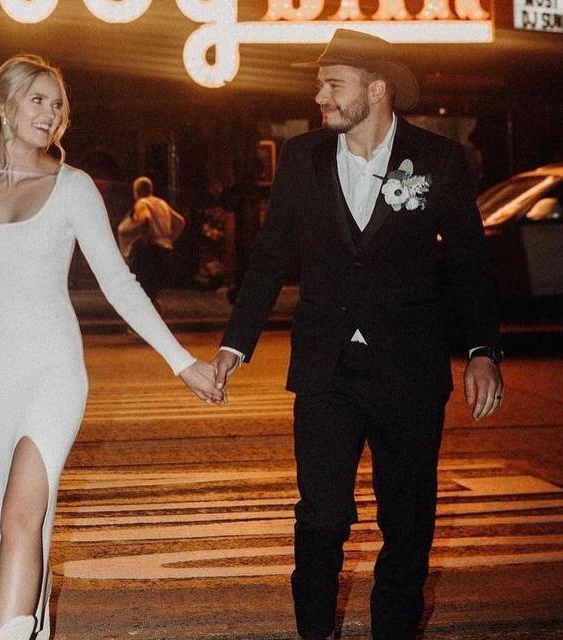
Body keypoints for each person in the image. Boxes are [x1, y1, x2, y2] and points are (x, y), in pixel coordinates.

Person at [210, 29, 504, 640]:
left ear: (376, 90)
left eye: (332, 85)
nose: (319, 96)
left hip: (411, 372)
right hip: (327, 371)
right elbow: (269, 257)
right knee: (320, 517)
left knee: (408, 522)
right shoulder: (302, 158)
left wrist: (482, 351)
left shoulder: (439, 161)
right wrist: (235, 344)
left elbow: (472, 262)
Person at [0, 54, 223, 640]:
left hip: (52, 373)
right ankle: (32, 623)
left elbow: (118, 282)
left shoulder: (74, 187)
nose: (51, 112)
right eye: (38, 99)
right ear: (4, 106)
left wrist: (181, 361)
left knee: (18, 517)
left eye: (57, 104)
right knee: (12, 530)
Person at [116, 176, 185, 310]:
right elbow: (180, 221)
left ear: (136, 191)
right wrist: (170, 239)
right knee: (152, 293)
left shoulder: (142, 203)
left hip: (150, 252)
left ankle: (142, 324)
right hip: (165, 251)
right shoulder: (162, 203)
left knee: (139, 289)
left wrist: (144, 239)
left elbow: (145, 219)